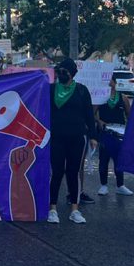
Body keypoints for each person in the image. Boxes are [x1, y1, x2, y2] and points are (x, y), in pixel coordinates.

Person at [47, 59, 97, 225]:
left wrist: (93, 137)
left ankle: (75, 210)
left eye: (64, 71)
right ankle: (52, 209)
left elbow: (89, 115)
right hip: (56, 137)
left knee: (74, 172)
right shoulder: (51, 89)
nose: (61, 74)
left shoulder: (82, 91)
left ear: (71, 73)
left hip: (77, 137)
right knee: (57, 172)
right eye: (59, 70)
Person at [95, 77, 133, 196]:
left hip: (119, 132)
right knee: (104, 159)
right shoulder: (100, 97)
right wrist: (99, 121)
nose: (108, 82)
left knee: (119, 159)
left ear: (115, 83)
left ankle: (120, 185)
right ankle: (103, 185)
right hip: (105, 132)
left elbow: (129, 114)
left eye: (110, 80)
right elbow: (93, 113)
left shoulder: (123, 97)